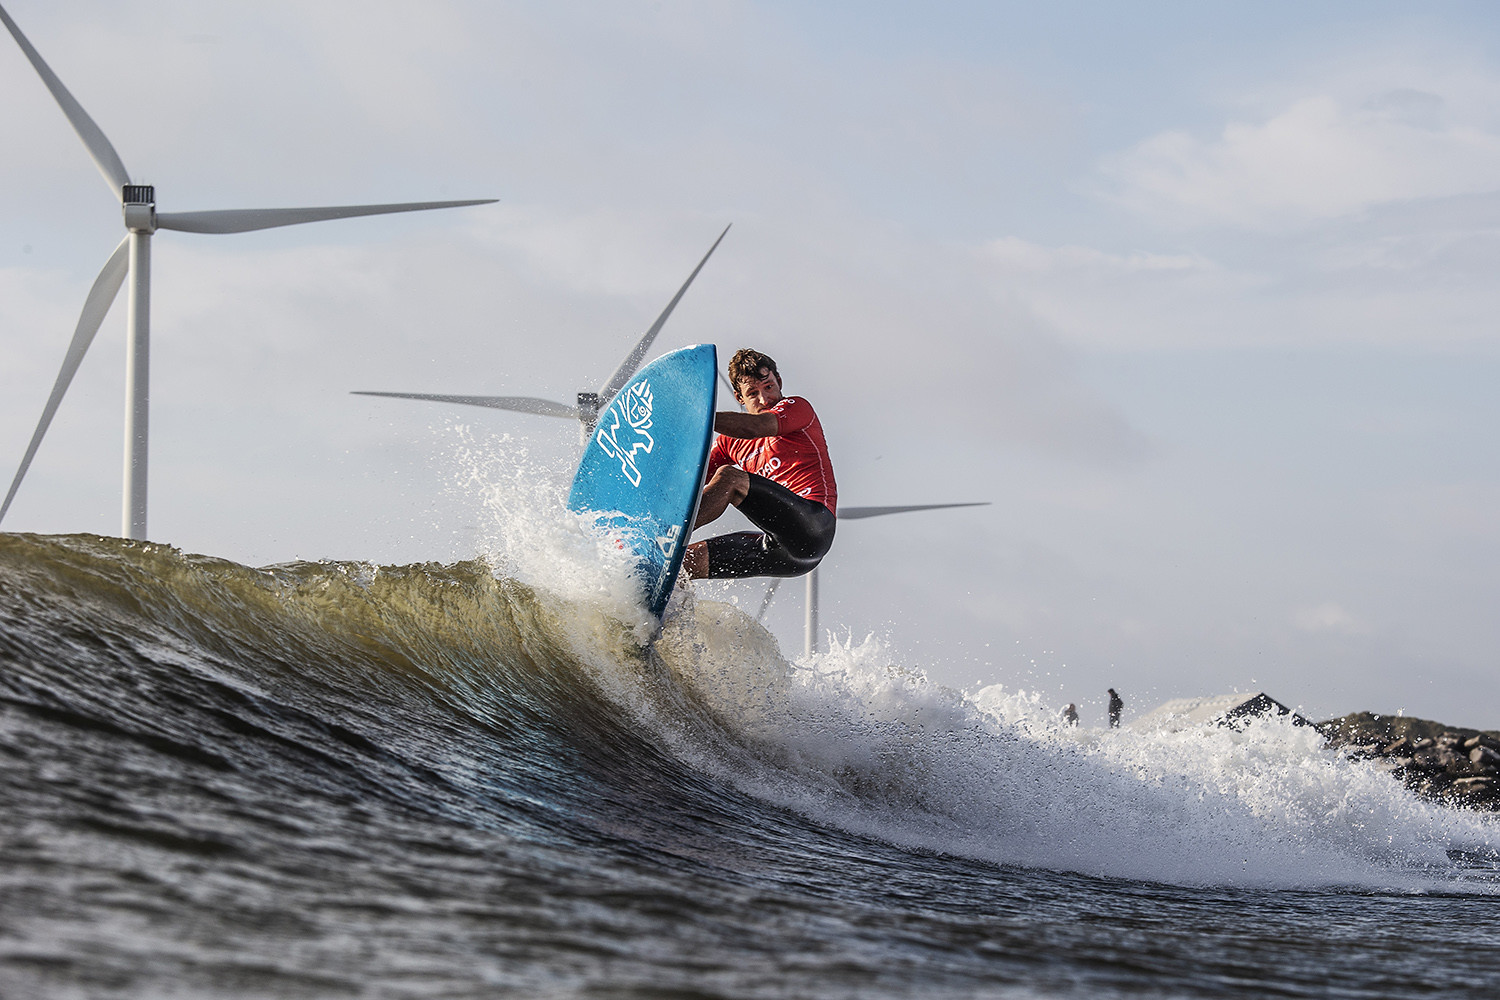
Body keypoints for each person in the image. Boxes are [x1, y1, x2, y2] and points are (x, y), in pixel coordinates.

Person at [682, 349, 837, 580]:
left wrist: (698, 416)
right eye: (752, 393)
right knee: (682, 566)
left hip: (814, 526)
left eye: (769, 387)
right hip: (782, 553)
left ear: (779, 381)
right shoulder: (729, 442)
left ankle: (668, 536)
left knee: (729, 477)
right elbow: (690, 479)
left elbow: (755, 427)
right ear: (739, 398)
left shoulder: (798, 408)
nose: (765, 399)